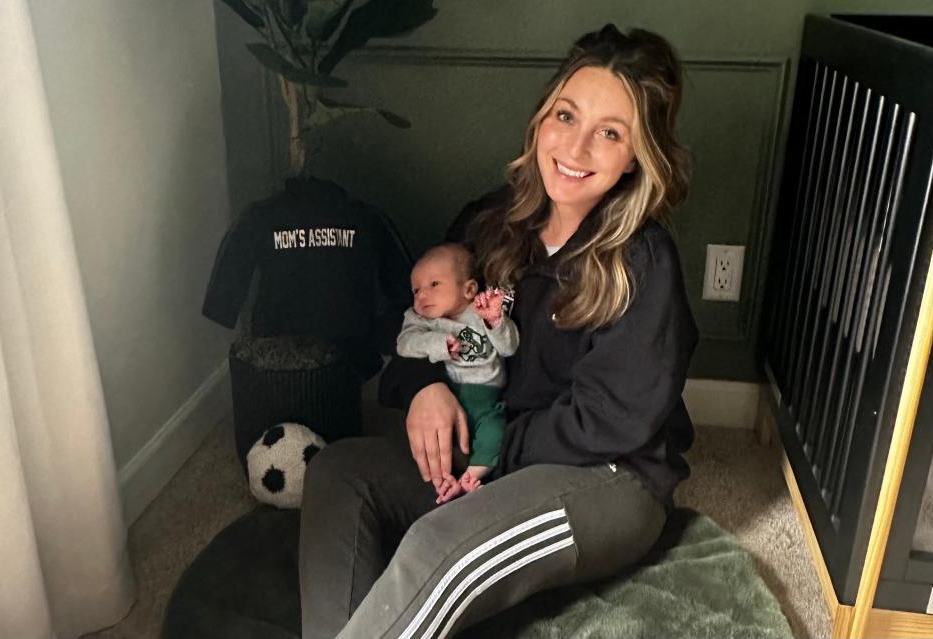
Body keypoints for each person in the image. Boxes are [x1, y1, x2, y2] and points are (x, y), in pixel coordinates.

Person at [299, 23, 698, 639]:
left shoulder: (642, 263)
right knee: (338, 472)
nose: (577, 145)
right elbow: (420, 315)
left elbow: (608, 421)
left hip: (605, 477)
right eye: (566, 115)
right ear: (542, 118)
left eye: (610, 133)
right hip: (488, 450)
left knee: (443, 546)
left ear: (636, 159)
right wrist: (425, 386)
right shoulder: (489, 222)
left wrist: (490, 455)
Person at [397, 243, 519, 504]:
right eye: (416, 290)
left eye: (434, 285)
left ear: (469, 289)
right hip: (450, 395)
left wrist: (495, 322)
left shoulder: (482, 310)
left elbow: (508, 348)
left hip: (487, 397)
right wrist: (438, 344)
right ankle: (444, 481)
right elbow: (404, 344)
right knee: (437, 442)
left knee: (495, 433)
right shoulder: (423, 321)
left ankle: (473, 475)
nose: (421, 296)